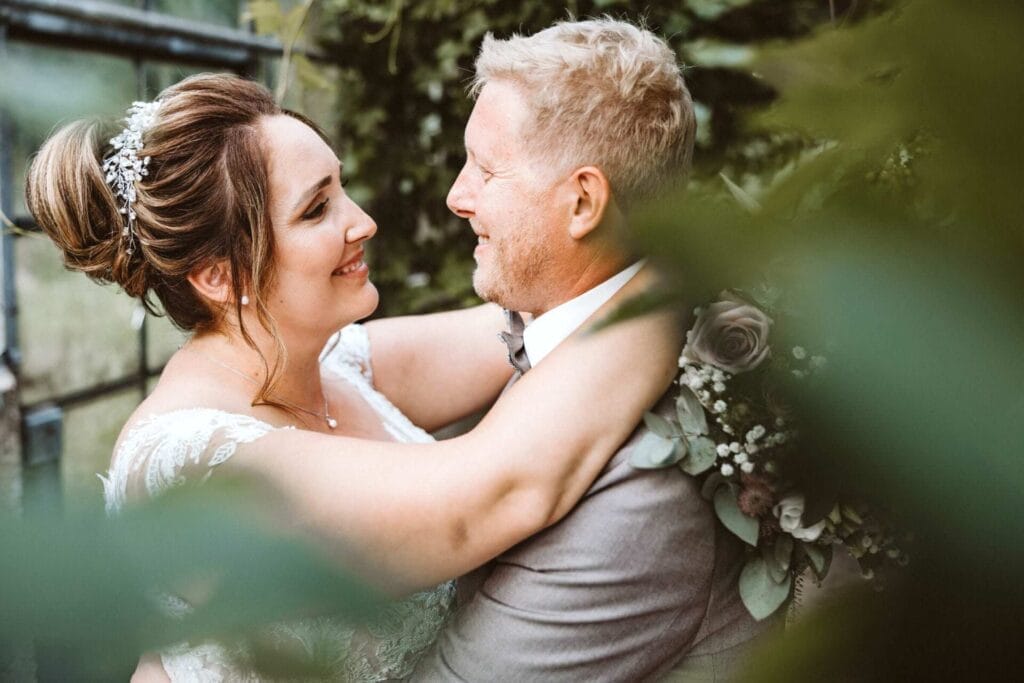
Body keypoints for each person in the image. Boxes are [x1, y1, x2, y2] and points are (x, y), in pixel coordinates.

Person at [25, 73, 679, 681]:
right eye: (316, 210)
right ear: (219, 275)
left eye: (339, 187)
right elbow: (494, 493)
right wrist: (686, 281)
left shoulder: (333, 364)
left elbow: (555, 309)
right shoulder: (200, 469)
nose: (361, 221)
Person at [410, 18, 767, 682]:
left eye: (485, 169)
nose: (457, 197)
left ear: (581, 202)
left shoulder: (642, 492)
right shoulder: (578, 321)